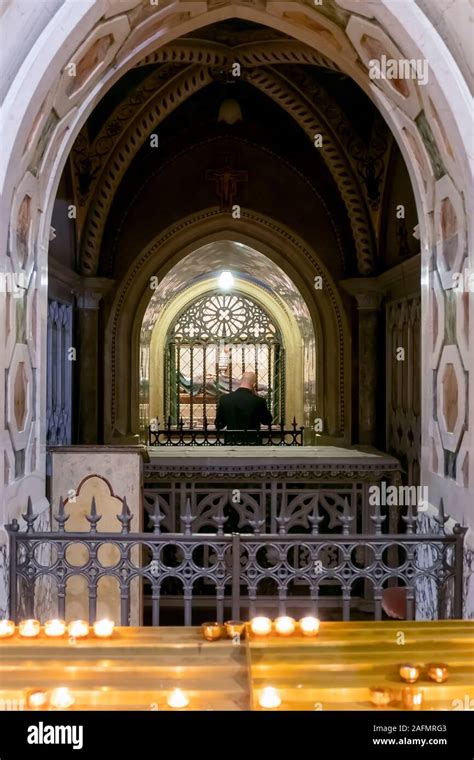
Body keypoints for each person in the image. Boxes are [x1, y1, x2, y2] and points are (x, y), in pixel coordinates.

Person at [214, 371, 272, 443]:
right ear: (254, 385)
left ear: (240, 382)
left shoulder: (225, 399)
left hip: (232, 443)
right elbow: (267, 421)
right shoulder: (259, 401)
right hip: (253, 443)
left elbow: (219, 425)